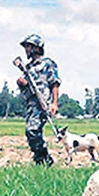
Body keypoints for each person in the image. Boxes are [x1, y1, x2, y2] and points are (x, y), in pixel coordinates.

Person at [16, 33, 60, 166]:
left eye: (28, 47)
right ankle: (41, 159)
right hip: (32, 103)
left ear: (36, 48)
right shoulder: (28, 67)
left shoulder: (47, 64)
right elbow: (27, 87)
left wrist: (54, 103)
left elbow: (54, 83)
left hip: (42, 103)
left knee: (32, 130)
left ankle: (44, 159)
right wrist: (22, 83)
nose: (26, 50)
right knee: (30, 132)